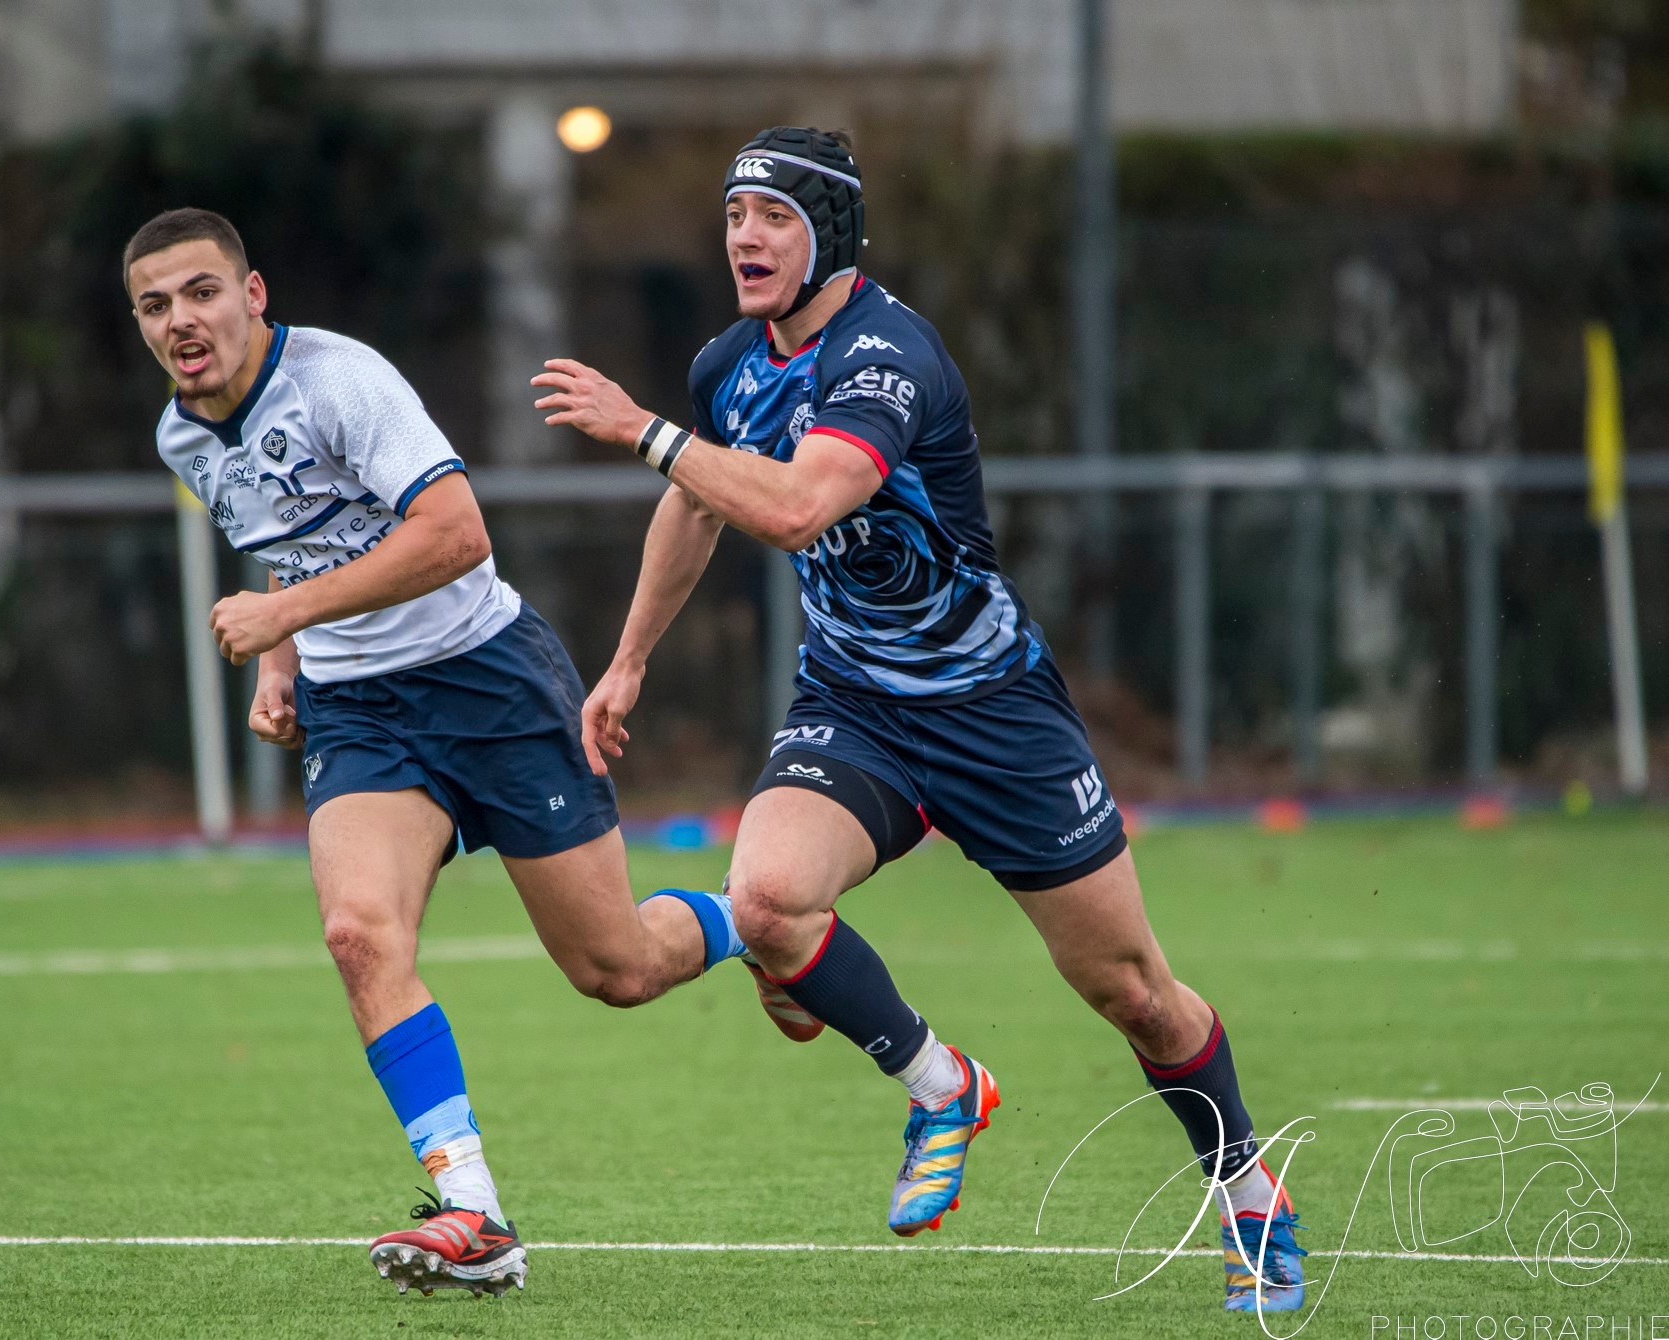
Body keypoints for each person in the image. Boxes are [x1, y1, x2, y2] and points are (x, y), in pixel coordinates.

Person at [531, 128, 1307, 1313]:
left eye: (774, 215)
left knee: (1135, 991)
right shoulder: (727, 366)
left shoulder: (890, 356)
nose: (743, 234)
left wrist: (643, 430)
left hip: (996, 714)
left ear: (830, 233)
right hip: (853, 704)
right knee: (769, 901)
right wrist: (628, 660)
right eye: (734, 212)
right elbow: (697, 505)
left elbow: (793, 507)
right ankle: (942, 1084)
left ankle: (1249, 1192)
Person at [126, 207, 747, 1300]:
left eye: (200, 291)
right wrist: (285, 662)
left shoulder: (341, 382)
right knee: (358, 933)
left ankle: (762, 918)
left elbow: (459, 531)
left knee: (617, 967)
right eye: (154, 304)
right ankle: (475, 1206)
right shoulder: (181, 435)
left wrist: (285, 621)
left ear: (253, 294)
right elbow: (293, 540)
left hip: (488, 678)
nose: (182, 319)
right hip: (360, 710)